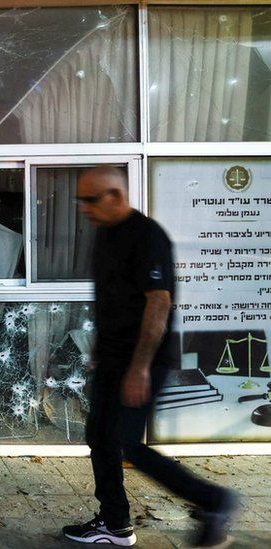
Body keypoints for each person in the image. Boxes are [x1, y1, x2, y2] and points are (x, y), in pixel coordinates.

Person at [62, 166, 239, 548]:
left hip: (142, 362)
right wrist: (98, 349)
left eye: (91, 200)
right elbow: (112, 298)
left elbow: (158, 303)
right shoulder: (106, 234)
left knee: (128, 442)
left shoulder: (147, 236)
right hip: (112, 358)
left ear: (116, 196)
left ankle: (214, 500)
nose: (84, 208)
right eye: (81, 200)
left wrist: (139, 367)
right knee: (100, 436)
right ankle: (115, 523)